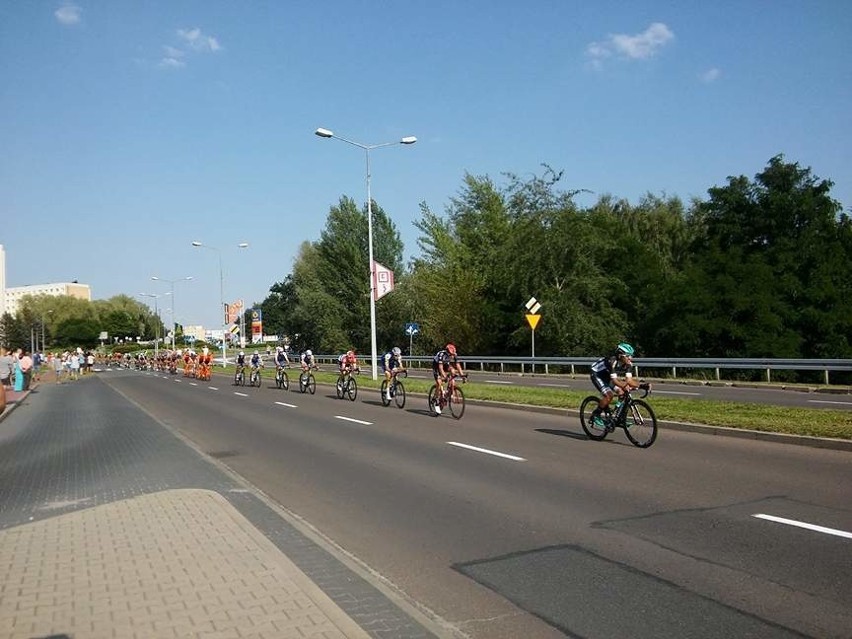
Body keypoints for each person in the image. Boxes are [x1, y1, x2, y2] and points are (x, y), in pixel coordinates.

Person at [588, 342, 649, 427]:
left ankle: (619, 418)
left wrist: (642, 386)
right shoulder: (612, 361)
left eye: (631, 355)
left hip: (608, 375)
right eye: (627, 356)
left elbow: (629, 380)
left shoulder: (629, 364)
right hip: (597, 374)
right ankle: (595, 415)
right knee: (609, 395)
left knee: (622, 393)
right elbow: (615, 381)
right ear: (620, 356)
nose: (630, 358)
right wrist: (624, 386)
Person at [432, 343, 464, 414]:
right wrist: (445, 376)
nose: (452, 356)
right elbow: (440, 368)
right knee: (439, 382)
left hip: (445, 364)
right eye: (451, 355)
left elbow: (458, 365)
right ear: (447, 352)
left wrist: (462, 375)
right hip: (437, 365)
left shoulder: (454, 354)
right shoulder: (442, 355)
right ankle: (435, 398)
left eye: (453, 354)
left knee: (453, 371)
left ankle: (447, 392)